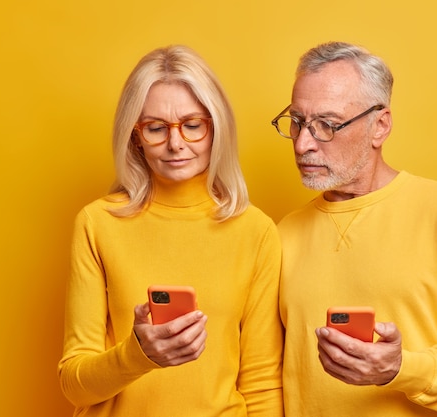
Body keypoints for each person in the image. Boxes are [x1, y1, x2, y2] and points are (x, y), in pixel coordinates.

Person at [271, 41, 437, 417]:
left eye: (326, 124)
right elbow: (266, 373)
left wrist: (401, 369)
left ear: (380, 125)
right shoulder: (282, 234)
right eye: (297, 122)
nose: (303, 144)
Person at [58, 45, 283, 417]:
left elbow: (260, 383)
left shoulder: (255, 231)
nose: (176, 143)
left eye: (193, 125)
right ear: (135, 136)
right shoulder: (98, 223)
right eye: (156, 128)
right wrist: (137, 355)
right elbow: (74, 385)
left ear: (216, 127)